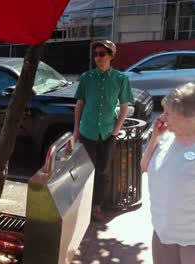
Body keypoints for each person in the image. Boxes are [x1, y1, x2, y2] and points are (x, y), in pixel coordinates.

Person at [73, 40, 134, 221]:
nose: (98, 57)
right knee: (85, 171)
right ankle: (82, 205)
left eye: (102, 54)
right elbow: (79, 104)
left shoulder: (121, 79)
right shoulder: (87, 77)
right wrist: (76, 130)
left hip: (108, 133)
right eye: (96, 54)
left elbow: (124, 107)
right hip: (87, 131)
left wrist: (115, 131)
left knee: (103, 171)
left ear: (111, 56)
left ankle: (97, 206)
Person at [141, 83, 195, 264]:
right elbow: (145, 166)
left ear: (189, 117)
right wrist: (154, 139)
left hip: (191, 241)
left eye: (168, 113)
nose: (162, 118)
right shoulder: (166, 138)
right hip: (162, 233)